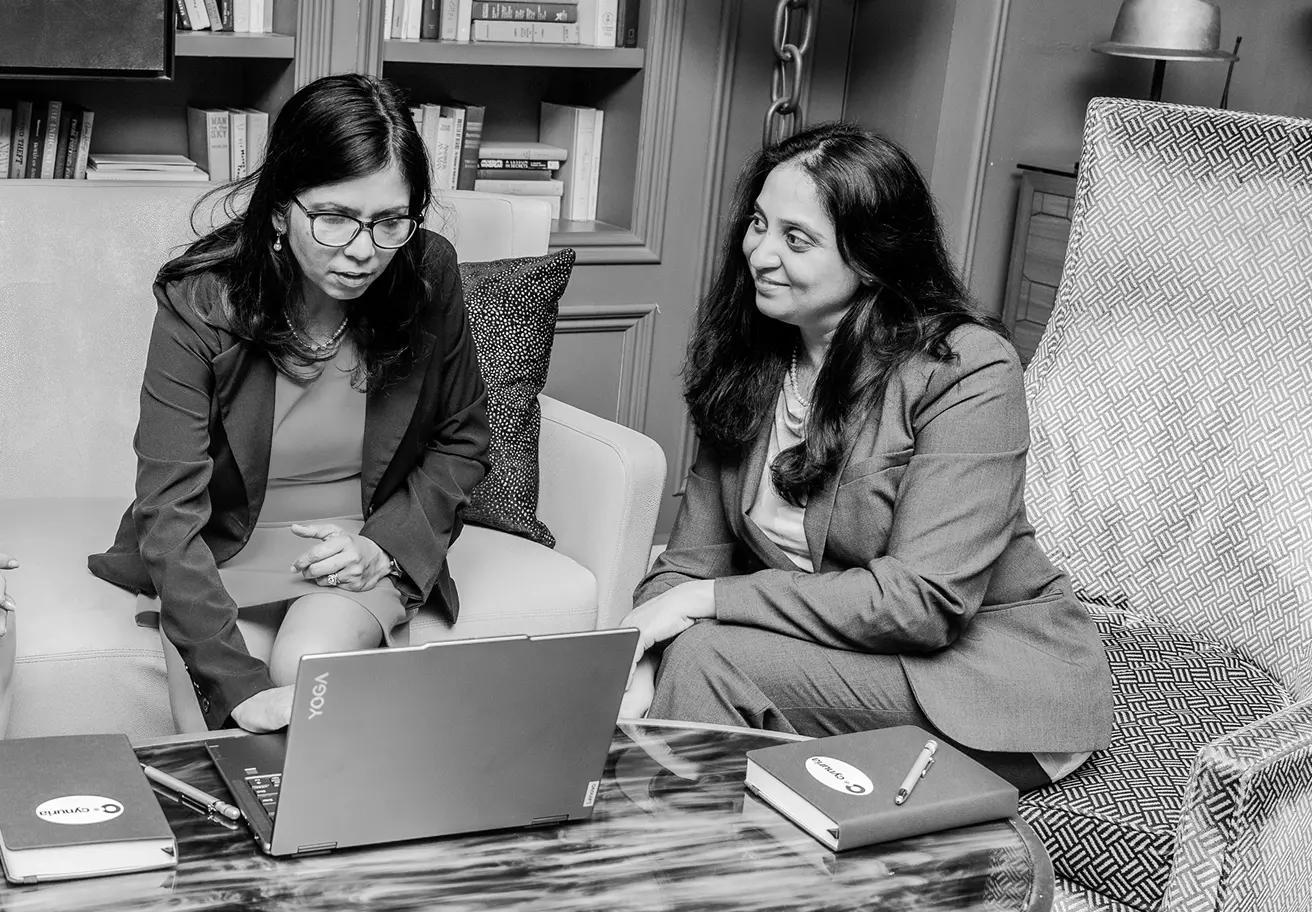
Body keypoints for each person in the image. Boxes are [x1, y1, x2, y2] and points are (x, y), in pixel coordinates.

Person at [619, 122, 1112, 790]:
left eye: (797, 239)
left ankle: (667, 871)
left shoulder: (965, 369)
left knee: (708, 655)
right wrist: (641, 654)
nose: (759, 254)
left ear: (871, 258)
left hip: (984, 680)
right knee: (678, 654)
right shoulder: (756, 359)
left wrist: (706, 603)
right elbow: (687, 564)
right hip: (826, 651)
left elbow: (922, 603)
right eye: (759, 223)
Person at [89, 74, 489, 734]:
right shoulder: (201, 300)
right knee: (227, 749)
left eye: (389, 221)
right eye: (334, 218)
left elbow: (464, 438)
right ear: (280, 208)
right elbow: (169, 508)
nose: (362, 250)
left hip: (356, 543)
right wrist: (239, 686)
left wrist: (384, 547)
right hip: (220, 551)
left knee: (310, 669)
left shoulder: (426, 270)